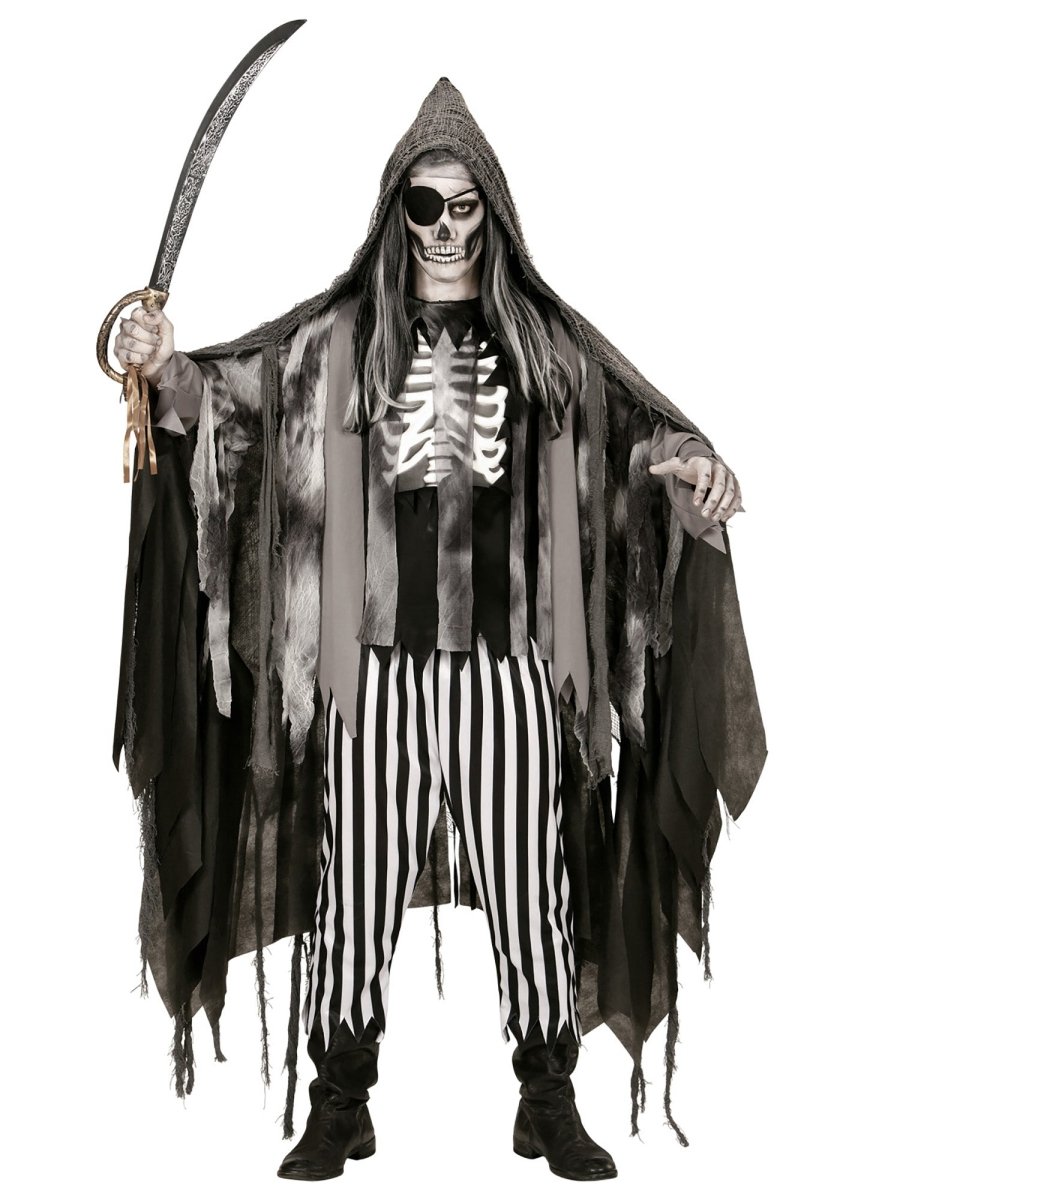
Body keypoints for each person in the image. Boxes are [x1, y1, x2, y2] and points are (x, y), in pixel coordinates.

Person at [111, 77, 765, 1183]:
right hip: (369, 671)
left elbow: (637, 438)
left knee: (530, 880)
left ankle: (546, 1095)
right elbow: (221, 403)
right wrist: (154, 360)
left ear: (493, 214)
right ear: (396, 213)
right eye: (427, 206)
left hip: (513, 669)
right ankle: (340, 1098)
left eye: (466, 206)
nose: (448, 229)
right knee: (355, 884)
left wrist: (691, 467)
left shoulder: (548, 349)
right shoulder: (337, 341)